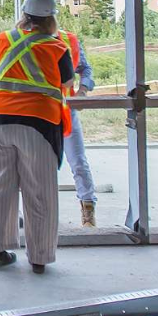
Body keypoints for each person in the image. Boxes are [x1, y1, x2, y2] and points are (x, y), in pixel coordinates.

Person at [0, 0, 75, 274]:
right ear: (51, 19)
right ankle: (39, 257)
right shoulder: (57, 47)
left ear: (24, 15)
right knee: (39, 191)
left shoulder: (2, 40)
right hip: (37, 123)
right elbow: (67, 83)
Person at [58, 26, 98, 227]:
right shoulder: (27, 40)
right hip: (37, 111)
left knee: (78, 161)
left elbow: (85, 69)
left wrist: (82, 91)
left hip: (65, 109)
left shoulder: (68, 39)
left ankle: (88, 210)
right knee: (41, 166)